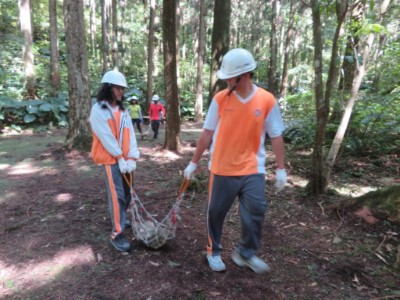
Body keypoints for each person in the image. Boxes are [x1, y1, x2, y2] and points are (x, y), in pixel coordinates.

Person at [183, 48, 287, 273]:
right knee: (216, 212)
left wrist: (281, 168)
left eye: (231, 77)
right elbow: (207, 133)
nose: (227, 81)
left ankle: (245, 253)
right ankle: (214, 250)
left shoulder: (266, 100)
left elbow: (276, 134)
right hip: (222, 167)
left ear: (246, 75)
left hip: (252, 167)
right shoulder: (220, 99)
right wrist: (194, 162)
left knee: (256, 209)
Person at [89, 70, 140, 253]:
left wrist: (132, 156)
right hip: (111, 160)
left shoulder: (123, 110)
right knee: (117, 196)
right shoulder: (98, 109)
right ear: (108, 88)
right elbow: (105, 136)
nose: (120, 92)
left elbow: (130, 134)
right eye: (117, 88)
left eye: (122, 88)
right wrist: (119, 157)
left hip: (126, 160)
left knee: (127, 192)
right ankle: (117, 234)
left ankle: (123, 219)